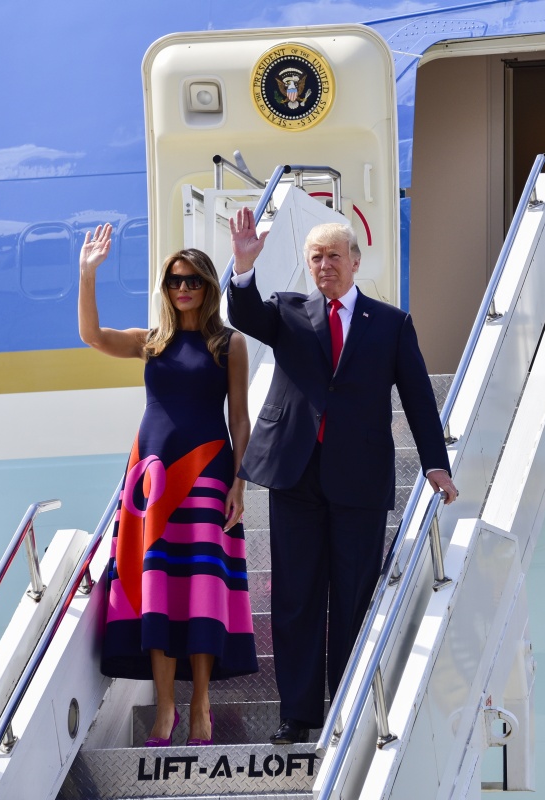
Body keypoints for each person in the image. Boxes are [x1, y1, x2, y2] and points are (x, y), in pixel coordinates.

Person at [226, 207, 458, 745]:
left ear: (355, 260)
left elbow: (419, 398)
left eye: (334, 255)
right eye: (315, 257)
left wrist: (435, 462)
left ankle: (349, 707)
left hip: (358, 478)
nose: (325, 264)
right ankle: (298, 714)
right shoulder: (285, 311)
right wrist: (242, 267)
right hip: (295, 474)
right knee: (296, 597)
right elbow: (244, 316)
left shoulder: (392, 324)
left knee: (352, 596)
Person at [78, 223, 256, 747]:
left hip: (208, 472)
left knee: (200, 588)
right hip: (151, 481)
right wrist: (88, 274)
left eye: (193, 281)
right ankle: (165, 711)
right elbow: (92, 336)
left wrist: (240, 481)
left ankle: (200, 706)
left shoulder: (230, 344)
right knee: (157, 588)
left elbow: (241, 419)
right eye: (175, 281)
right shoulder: (150, 342)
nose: (183, 289)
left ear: (208, 287)